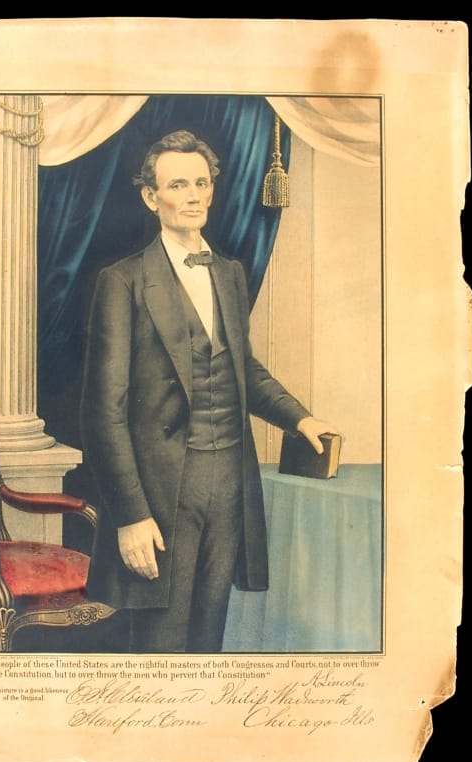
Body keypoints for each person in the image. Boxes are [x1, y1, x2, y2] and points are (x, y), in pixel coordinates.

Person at [79, 129, 338, 653]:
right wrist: (131, 515)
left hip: (230, 483)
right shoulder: (122, 281)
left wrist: (301, 419)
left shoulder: (231, 274)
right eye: (178, 185)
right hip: (159, 491)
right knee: (162, 646)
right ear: (152, 197)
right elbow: (103, 411)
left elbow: (244, 369)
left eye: (202, 183)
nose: (194, 195)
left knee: (207, 641)